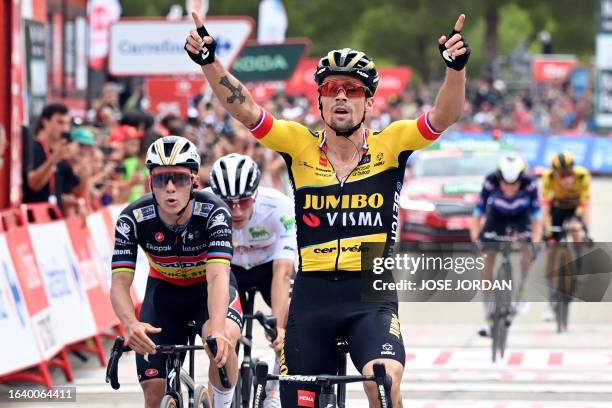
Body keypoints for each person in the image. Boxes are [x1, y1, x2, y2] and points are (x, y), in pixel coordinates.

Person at [185, 12, 470, 407]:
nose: (341, 96)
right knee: (298, 401)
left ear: (369, 101)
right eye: (332, 88)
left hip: (371, 290)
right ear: (319, 98)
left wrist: (455, 70)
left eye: (352, 90)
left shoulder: (391, 145)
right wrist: (209, 62)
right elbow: (246, 109)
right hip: (313, 292)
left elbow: (445, 116)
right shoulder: (299, 145)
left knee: (382, 383)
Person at [110, 136, 242, 408]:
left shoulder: (214, 212)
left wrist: (216, 329)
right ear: (150, 184)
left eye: (179, 179)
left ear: (194, 181)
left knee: (223, 339)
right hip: (164, 295)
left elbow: (217, 275)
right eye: (161, 180)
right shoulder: (132, 218)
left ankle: (223, 403)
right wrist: (130, 324)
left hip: (208, 291)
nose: (170, 188)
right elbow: (120, 283)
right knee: (153, 395)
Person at [208, 153, 296, 407]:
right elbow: (215, 275)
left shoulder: (279, 207)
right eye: (227, 202)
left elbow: (282, 272)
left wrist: (279, 327)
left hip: (270, 266)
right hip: (231, 269)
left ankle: (277, 384)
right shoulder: (204, 207)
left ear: (256, 193)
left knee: (291, 316)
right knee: (223, 328)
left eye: (244, 202)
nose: (235, 210)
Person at [470, 154, 542, 336]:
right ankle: (487, 313)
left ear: (521, 178)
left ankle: (521, 290)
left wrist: (535, 243)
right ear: (499, 178)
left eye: (514, 184)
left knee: (528, 249)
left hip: (521, 215)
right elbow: (477, 214)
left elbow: (537, 220)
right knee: (488, 258)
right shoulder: (490, 181)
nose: (509, 189)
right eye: (505, 184)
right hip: (497, 216)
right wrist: (475, 240)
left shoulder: (530, 184)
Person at [540, 152, 591, 321]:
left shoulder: (582, 175)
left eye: (568, 173)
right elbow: (545, 206)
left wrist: (586, 230)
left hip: (575, 208)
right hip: (557, 209)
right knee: (551, 251)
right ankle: (549, 303)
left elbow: (586, 206)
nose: (564, 177)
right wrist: (544, 229)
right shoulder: (548, 177)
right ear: (554, 172)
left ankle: (580, 263)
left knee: (577, 230)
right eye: (561, 174)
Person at [23, 103, 85, 214]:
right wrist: (53, 160)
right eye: (60, 122)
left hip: (55, 219)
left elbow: (73, 191)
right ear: (45, 122)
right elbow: (33, 184)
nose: (65, 128)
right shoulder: (32, 147)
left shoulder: (62, 154)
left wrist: (84, 167)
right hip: (34, 218)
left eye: (67, 123)